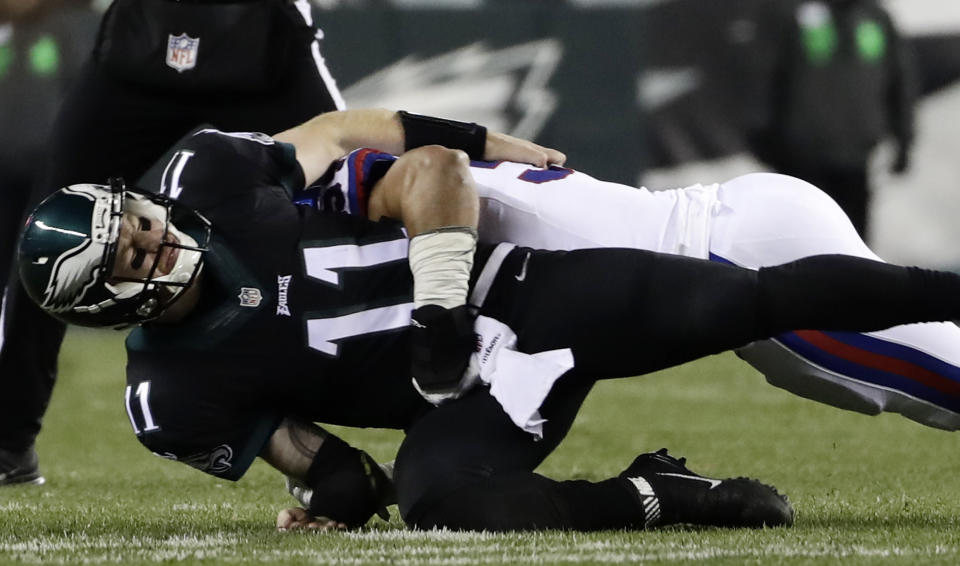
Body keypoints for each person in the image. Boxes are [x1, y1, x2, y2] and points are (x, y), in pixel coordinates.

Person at [18, 108, 960, 531]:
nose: (152, 236)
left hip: (708, 256)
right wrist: (328, 499)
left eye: (139, 223)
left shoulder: (318, 185)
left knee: (911, 379)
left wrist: (437, 321)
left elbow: (408, 157)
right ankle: (657, 497)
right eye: (131, 253)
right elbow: (334, 473)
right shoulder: (174, 385)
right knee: (447, 505)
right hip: (515, 356)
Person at [0, 0, 347, 485]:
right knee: (54, 239)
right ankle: (8, 441)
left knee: (347, 186)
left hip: (260, 46)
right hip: (143, 52)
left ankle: (434, 332)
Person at [0, 0, 98, 485]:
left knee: (32, 289)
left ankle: (12, 442)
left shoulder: (64, 31)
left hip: (44, 179)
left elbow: (80, 100)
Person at [751, 0, 916, 240]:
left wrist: (904, 140)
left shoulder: (876, 18)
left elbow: (900, 82)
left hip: (856, 158)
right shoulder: (792, 15)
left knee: (852, 248)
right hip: (799, 160)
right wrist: (767, 142)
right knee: (803, 246)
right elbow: (765, 78)